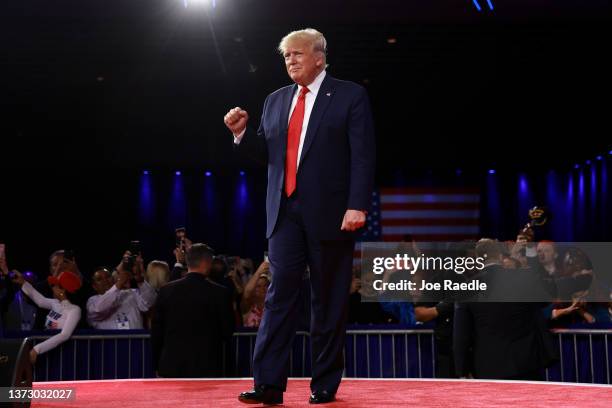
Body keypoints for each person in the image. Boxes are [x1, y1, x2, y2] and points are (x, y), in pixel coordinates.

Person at [224, 28, 375, 404]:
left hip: (332, 215)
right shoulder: (275, 100)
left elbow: (362, 155)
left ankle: (324, 383)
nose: (290, 60)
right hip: (283, 214)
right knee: (278, 297)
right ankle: (268, 384)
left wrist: (357, 204)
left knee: (327, 299)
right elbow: (268, 154)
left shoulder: (349, 95)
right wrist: (242, 134)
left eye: (297, 54)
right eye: (286, 55)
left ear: (319, 57)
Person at [151, 243, 234, 377]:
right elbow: (227, 331)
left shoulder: (166, 291)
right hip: (207, 367)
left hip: (171, 366)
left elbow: (156, 332)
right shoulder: (220, 293)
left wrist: (156, 365)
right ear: (207, 263)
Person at [11, 269, 81, 364]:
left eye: (55, 285)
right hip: (46, 353)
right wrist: (23, 282)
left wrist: (37, 349)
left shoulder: (74, 310)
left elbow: (65, 335)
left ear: (63, 290)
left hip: (60, 355)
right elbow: (39, 300)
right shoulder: (55, 303)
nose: (52, 287)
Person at [86, 256, 157, 330]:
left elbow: (150, 303)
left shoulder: (131, 293)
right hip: (109, 341)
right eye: (99, 279)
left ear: (113, 279)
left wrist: (140, 281)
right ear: (94, 286)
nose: (105, 280)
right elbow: (99, 310)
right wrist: (119, 284)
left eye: (108, 276)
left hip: (135, 341)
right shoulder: (92, 301)